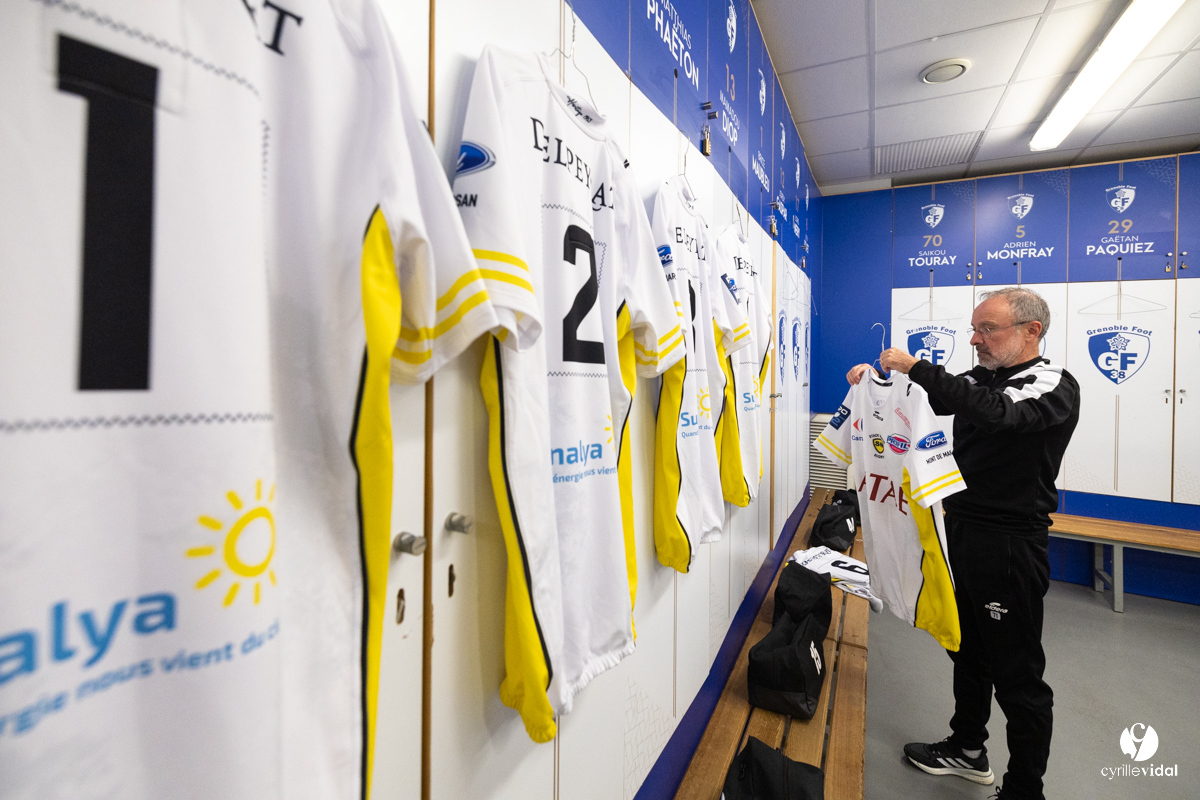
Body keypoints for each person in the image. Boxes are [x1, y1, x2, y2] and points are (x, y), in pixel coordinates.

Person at [847, 287, 1080, 800]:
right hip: (962, 531)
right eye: (974, 329)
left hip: (1010, 544)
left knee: (1017, 674)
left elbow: (999, 414)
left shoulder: (1052, 383)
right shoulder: (979, 379)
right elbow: (926, 399)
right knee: (966, 649)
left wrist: (919, 367)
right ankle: (968, 748)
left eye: (986, 329)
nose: (975, 339)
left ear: (1030, 331)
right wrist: (877, 383)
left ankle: (1024, 790)